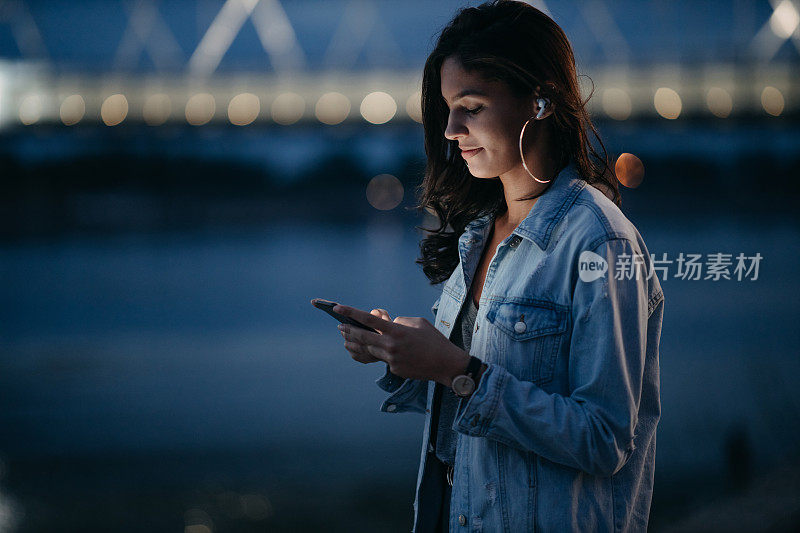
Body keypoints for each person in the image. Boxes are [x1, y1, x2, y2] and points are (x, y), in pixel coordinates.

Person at [334, 1, 664, 531]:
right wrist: (399, 354)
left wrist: (455, 370)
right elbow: (470, 419)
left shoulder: (599, 241)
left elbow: (605, 440)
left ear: (541, 102)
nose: (450, 128)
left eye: (471, 106)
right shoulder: (481, 234)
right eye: (447, 108)